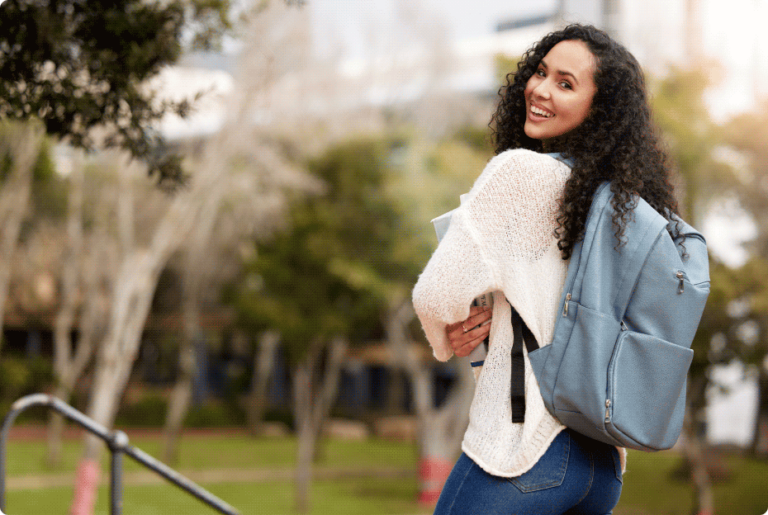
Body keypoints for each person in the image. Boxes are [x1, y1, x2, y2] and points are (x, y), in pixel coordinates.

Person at [412, 24, 681, 514]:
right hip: (601, 466)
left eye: (565, 83)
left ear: (597, 109)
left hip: (522, 450)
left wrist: (447, 336)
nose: (538, 89)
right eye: (540, 72)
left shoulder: (519, 175)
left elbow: (436, 294)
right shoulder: (624, 205)